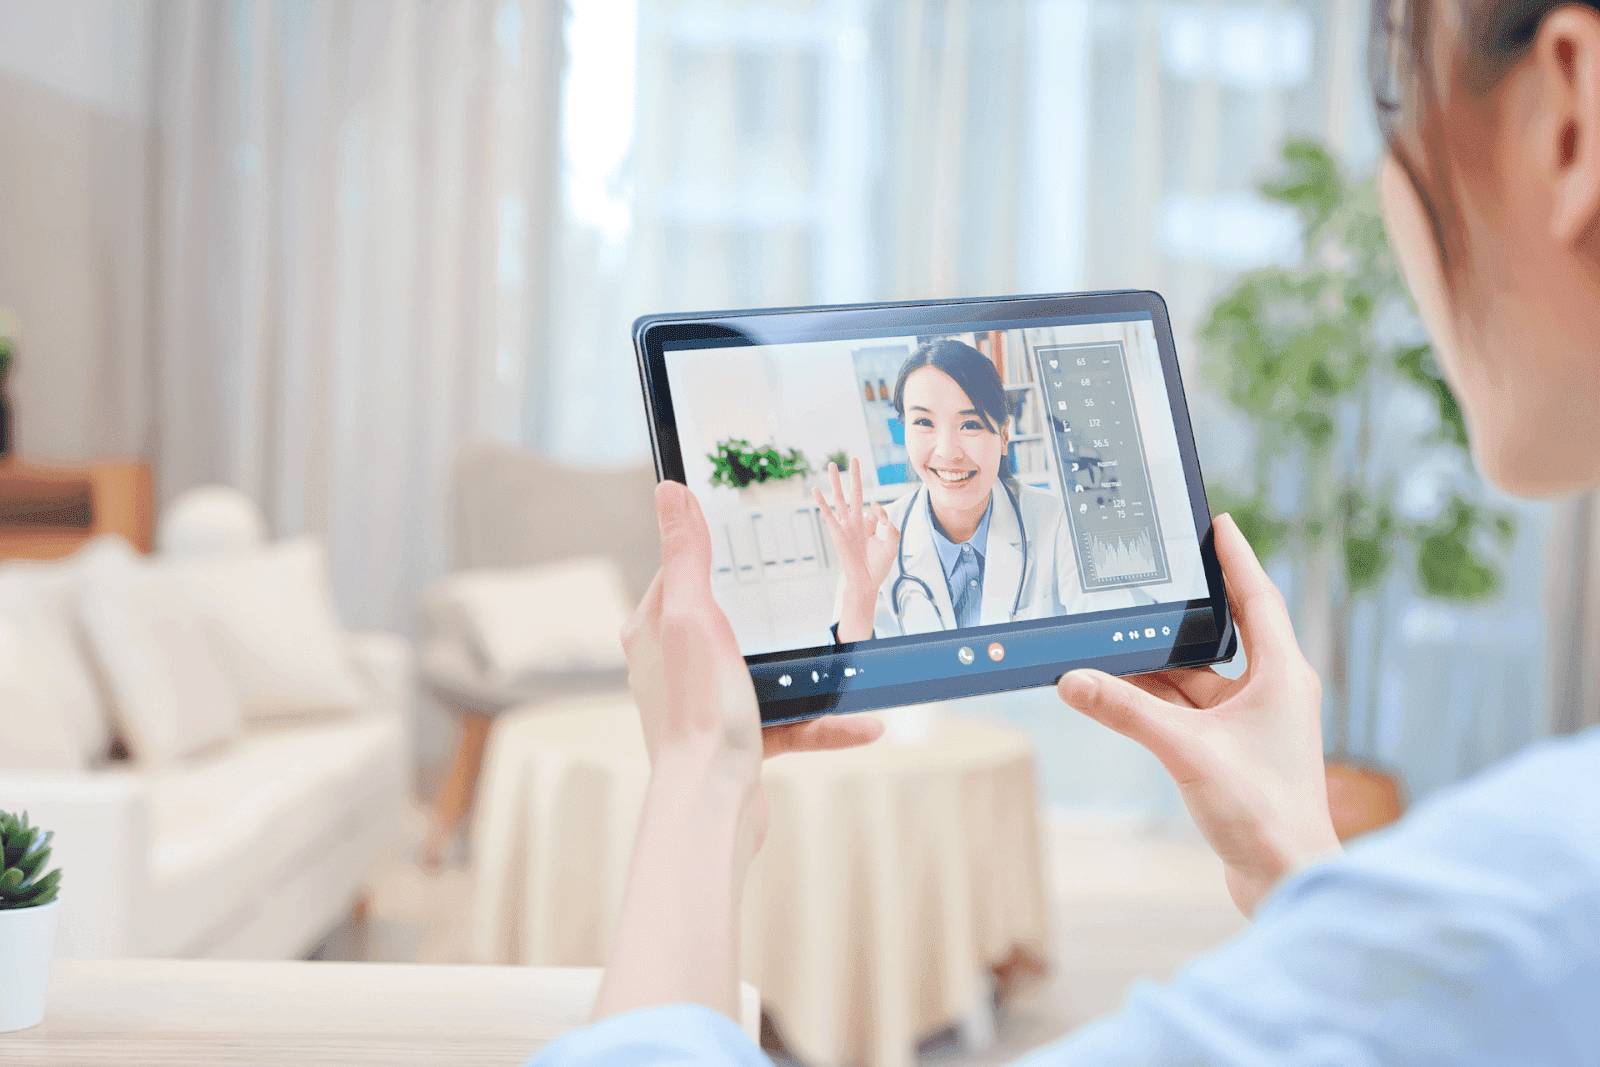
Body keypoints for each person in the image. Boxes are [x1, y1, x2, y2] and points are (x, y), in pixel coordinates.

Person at [534, 0, 1600, 1062]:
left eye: (1392, 84)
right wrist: (1296, 861)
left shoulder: (1542, 897)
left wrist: (697, 778)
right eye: (919, 425)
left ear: (1570, 116)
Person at [818, 338, 1142, 643]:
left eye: (970, 424)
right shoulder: (873, 538)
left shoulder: (1064, 523)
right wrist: (861, 591)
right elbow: (845, 685)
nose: (947, 452)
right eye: (923, 423)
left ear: (1003, 436)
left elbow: (1121, 639)